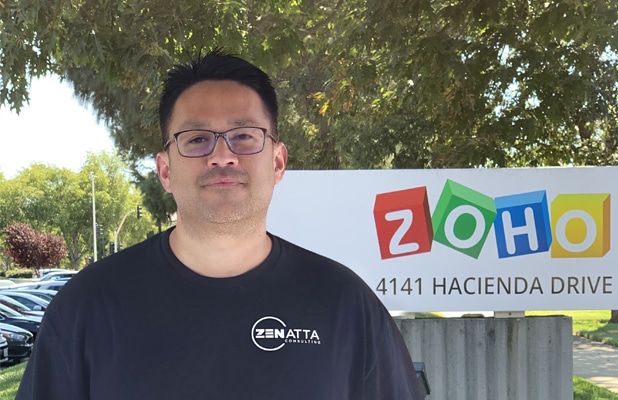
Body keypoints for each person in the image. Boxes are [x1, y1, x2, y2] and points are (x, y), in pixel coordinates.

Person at [16, 49, 424, 400]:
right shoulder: (86, 307)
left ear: (278, 162)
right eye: (196, 139)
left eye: (244, 136)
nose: (222, 156)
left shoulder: (345, 305)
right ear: (165, 171)